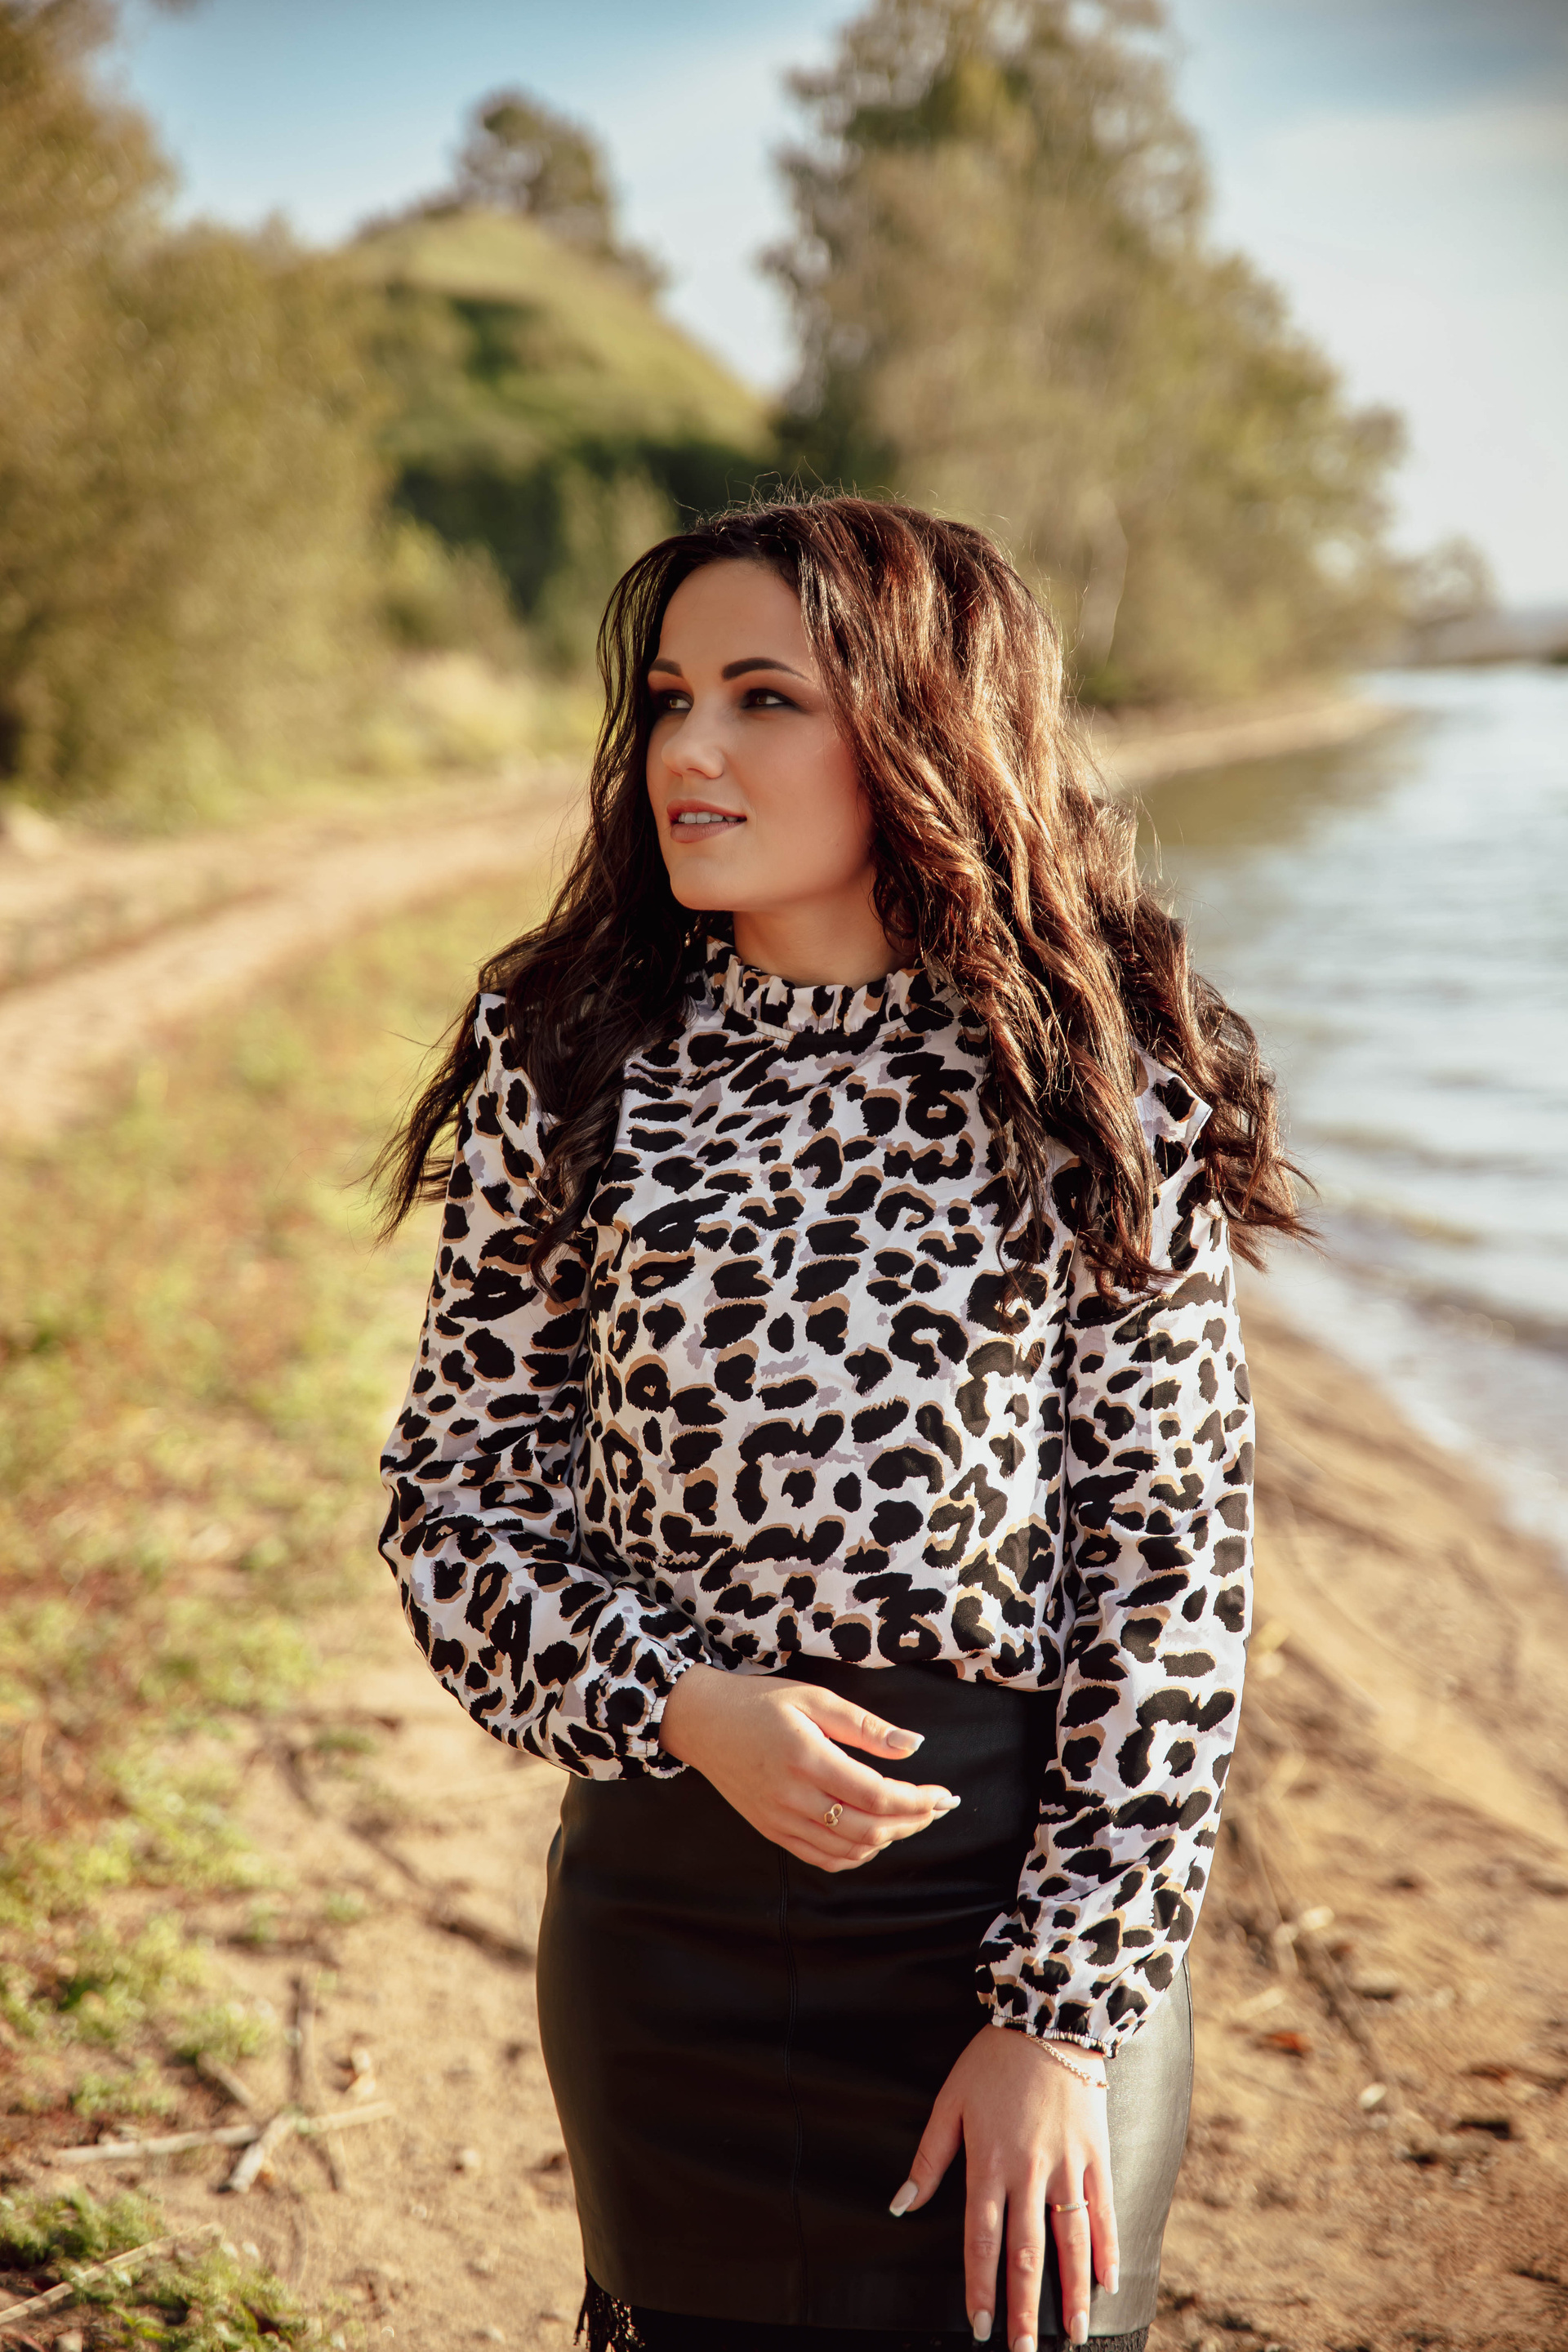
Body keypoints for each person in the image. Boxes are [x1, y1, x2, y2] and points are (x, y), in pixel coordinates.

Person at [376, 496, 1302, 2352]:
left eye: (764, 698)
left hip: (1007, 1925)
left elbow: (1170, 1572)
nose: (688, 751)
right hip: (667, 1931)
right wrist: (677, 1704)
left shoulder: (1093, 1073)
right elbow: (453, 1506)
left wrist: (1060, 2017)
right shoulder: (564, 1055)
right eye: (668, 698)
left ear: (921, 729)